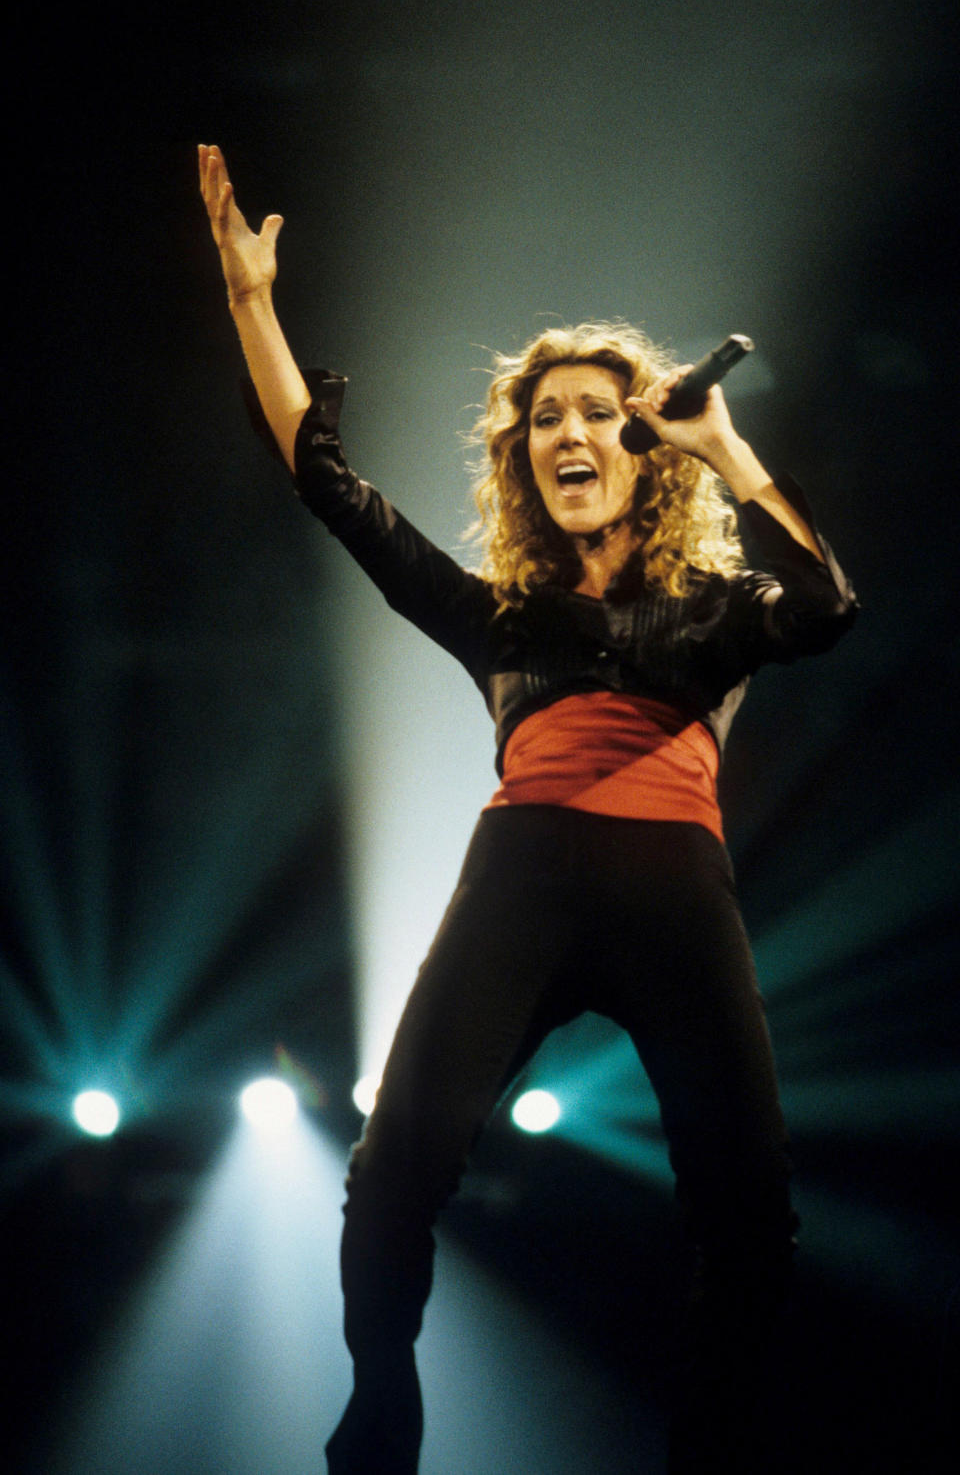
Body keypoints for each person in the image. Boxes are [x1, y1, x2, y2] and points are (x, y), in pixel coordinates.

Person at [198, 143, 857, 1474]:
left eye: (592, 413)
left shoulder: (716, 612)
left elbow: (829, 605)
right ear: (523, 453)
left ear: (643, 445)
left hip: (678, 890)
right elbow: (330, 487)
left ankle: (714, 1440)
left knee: (750, 1213)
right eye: (541, 415)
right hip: (524, 879)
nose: (564, 432)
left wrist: (724, 442)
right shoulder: (497, 614)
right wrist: (249, 304)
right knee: (391, 1171)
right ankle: (383, 1399)